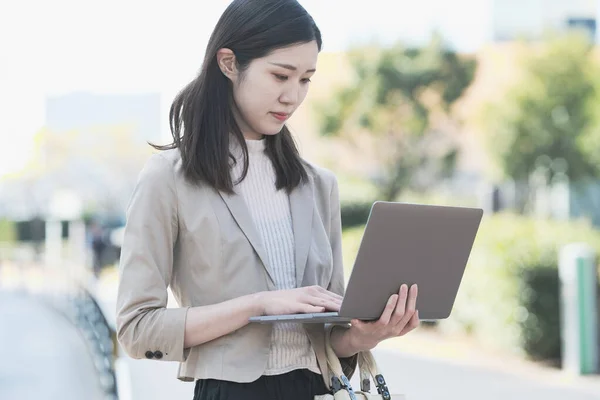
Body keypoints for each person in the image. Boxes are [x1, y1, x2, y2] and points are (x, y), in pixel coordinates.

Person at [115, 1, 420, 399]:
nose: (293, 96)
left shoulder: (317, 185)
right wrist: (257, 305)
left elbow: (329, 339)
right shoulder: (168, 179)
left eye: (306, 79)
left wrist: (366, 336)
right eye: (280, 75)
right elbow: (137, 329)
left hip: (310, 390)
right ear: (228, 63)